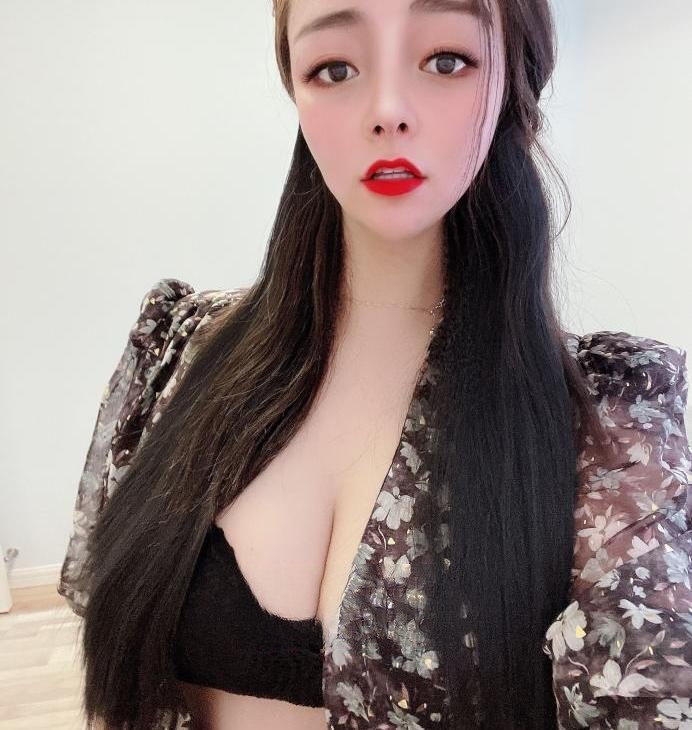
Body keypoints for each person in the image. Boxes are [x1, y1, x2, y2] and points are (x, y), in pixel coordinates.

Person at [59, 0, 692, 728]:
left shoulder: (613, 429)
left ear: (513, 79)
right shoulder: (177, 350)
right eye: (335, 69)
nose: (388, 110)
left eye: (447, 60)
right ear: (295, 88)